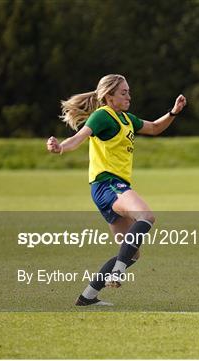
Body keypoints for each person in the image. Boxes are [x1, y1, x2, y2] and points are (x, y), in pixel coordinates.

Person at [46, 74, 187, 306]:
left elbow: (153, 128)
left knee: (132, 253)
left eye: (129, 91)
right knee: (147, 216)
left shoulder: (126, 118)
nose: (129, 96)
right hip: (109, 183)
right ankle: (117, 271)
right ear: (109, 96)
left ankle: (87, 297)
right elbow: (80, 137)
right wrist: (60, 147)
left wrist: (173, 112)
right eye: (123, 92)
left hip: (110, 188)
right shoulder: (103, 115)